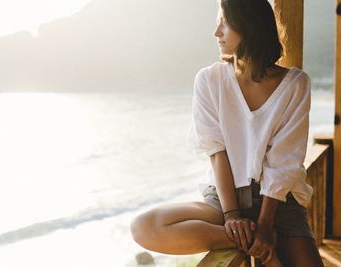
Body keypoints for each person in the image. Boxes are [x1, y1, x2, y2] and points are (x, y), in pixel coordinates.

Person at [130, 0, 325, 266]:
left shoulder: (295, 84)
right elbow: (216, 151)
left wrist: (266, 225)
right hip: (224, 198)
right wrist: (233, 217)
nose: (216, 32)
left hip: (279, 202)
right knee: (144, 227)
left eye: (225, 22)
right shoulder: (209, 80)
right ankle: (244, 239)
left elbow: (284, 162)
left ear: (249, 26)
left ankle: (257, 236)